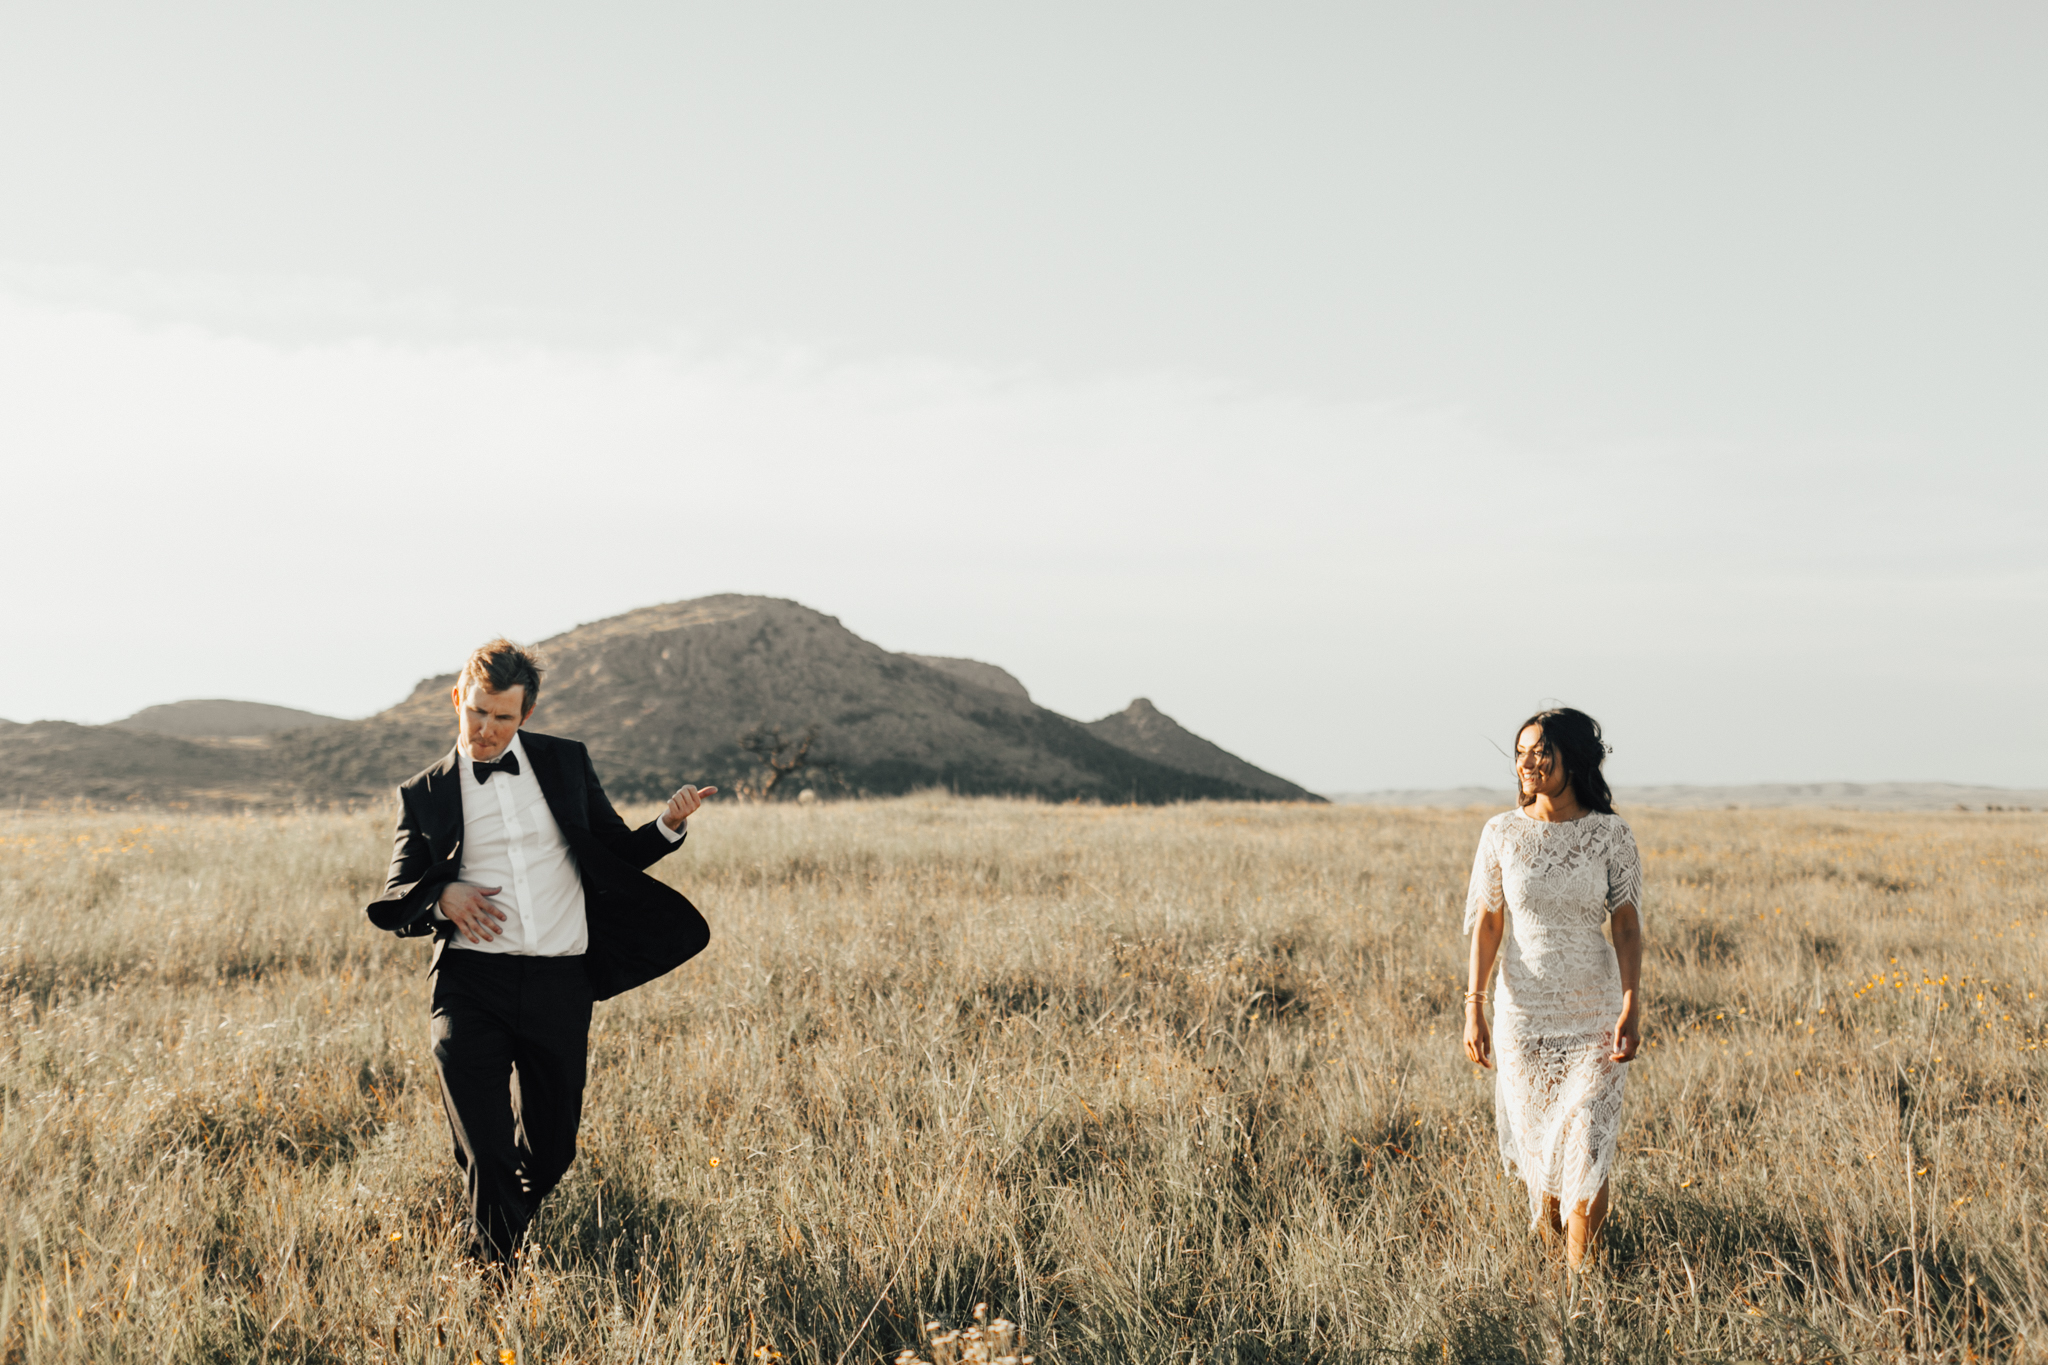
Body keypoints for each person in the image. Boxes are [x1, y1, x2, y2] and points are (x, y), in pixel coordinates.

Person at [365, 638, 717, 1271]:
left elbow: (613, 852)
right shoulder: (424, 793)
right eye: (476, 712)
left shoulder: (564, 764)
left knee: (552, 1152)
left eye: (502, 717)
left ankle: (493, 1223)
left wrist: (667, 826)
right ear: (457, 700)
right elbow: (395, 897)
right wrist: (442, 893)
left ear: (525, 714)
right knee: (487, 1148)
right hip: (471, 983)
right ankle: (494, 1276)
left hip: (560, 981)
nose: (486, 729)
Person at [1461, 706, 1643, 1268]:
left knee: (1587, 1142)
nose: (1528, 763)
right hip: (1525, 1017)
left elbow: (1628, 926)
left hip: (1594, 1014)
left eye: (1541, 751)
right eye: (1521, 752)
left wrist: (1632, 1005)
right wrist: (1474, 1007)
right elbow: (1490, 923)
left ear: (1573, 757)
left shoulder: (1611, 835)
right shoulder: (1501, 833)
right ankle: (1553, 1254)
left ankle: (1580, 1287)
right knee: (1544, 1159)